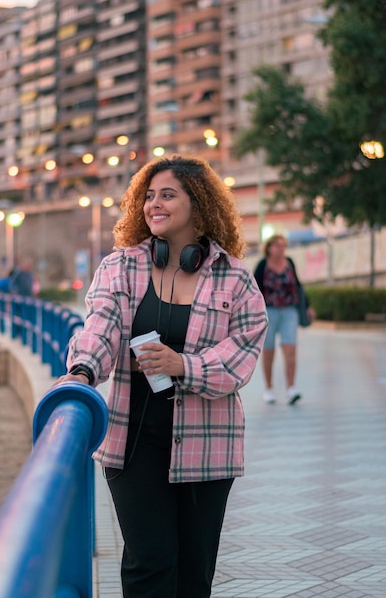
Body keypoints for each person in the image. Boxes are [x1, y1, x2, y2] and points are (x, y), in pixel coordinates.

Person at [54, 154, 268, 597]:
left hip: (207, 447)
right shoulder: (120, 267)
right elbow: (100, 327)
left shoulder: (236, 279)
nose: (155, 204)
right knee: (149, 566)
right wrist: (80, 371)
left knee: (194, 575)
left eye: (168, 195)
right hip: (132, 446)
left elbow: (242, 355)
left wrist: (182, 365)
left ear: (199, 204)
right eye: (148, 196)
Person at [254, 234, 315, 405]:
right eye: (278, 245)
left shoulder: (289, 262)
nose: (281, 249)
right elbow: (254, 290)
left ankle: (291, 388)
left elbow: (298, 285)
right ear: (269, 248)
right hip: (269, 312)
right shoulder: (262, 265)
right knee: (269, 351)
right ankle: (269, 388)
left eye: (283, 245)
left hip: (290, 311)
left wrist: (308, 306)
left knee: (290, 351)